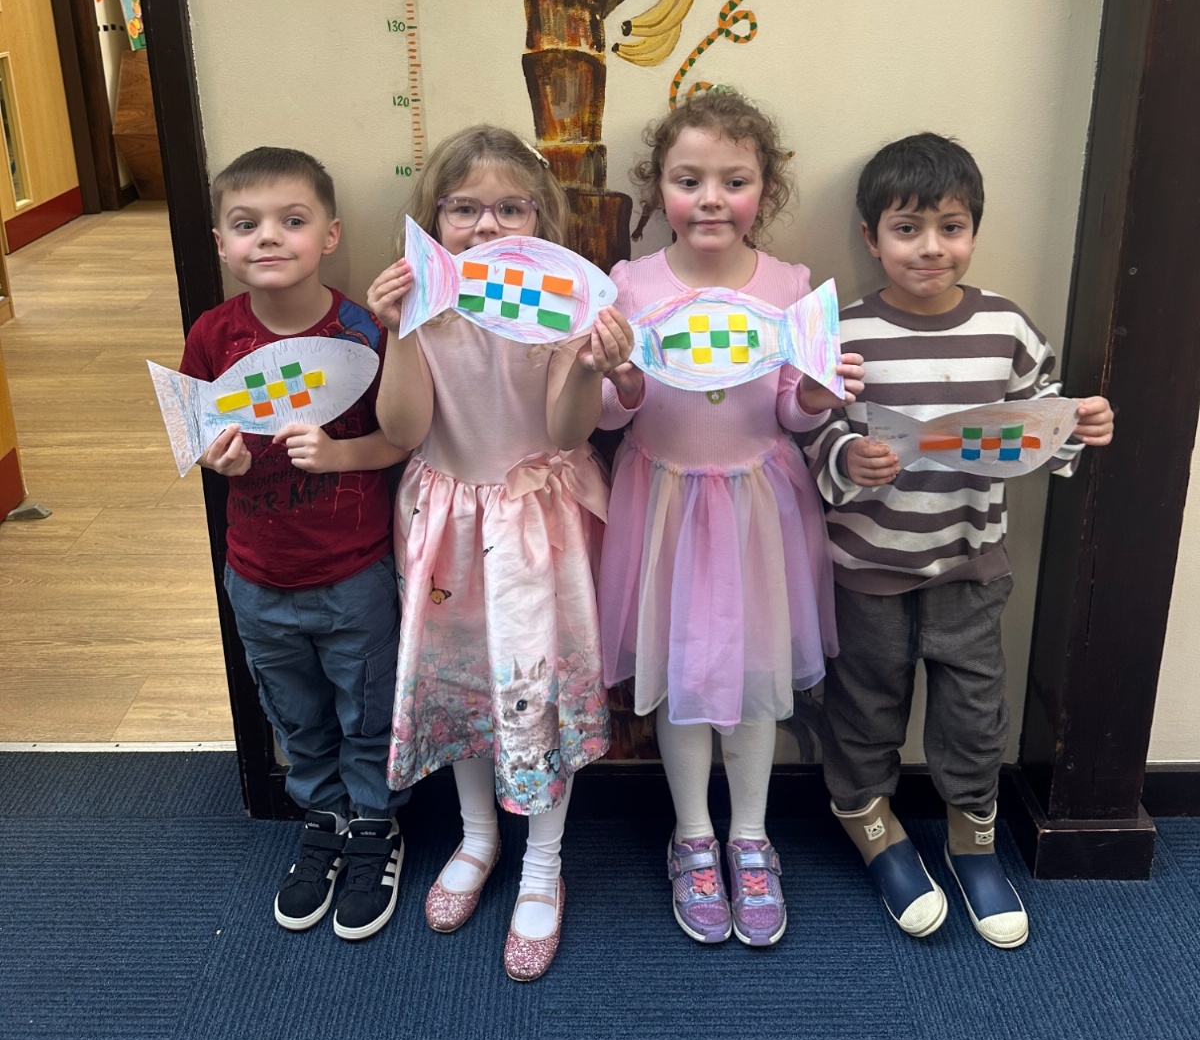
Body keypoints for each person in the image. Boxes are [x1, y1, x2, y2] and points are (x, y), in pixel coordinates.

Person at [803, 132, 1114, 948]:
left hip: (970, 564)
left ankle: (973, 841)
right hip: (865, 566)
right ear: (872, 238)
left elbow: (1042, 418)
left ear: (974, 230)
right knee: (864, 706)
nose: (931, 247)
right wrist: (847, 458)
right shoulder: (845, 331)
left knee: (975, 715)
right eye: (907, 229)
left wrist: (1080, 425)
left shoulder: (1007, 327)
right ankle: (871, 823)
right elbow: (811, 430)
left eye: (951, 226)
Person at [597, 88, 863, 948]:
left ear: (764, 191)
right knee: (681, 675)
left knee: (751, 677)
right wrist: (623, 380)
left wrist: (815, 392)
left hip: (757, 509)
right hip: (665, 506)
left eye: (734, 181)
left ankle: (750, 836)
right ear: (660, 188)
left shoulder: (791, 286)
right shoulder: (630, 284)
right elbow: (609, 413)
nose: (710, 199)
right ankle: (692, 836)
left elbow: (789, 409)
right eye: (689, 180)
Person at [367, 126, 632, 982]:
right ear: (433, 219)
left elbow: (567, 431)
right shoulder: (426, 307)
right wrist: (400, 329)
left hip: (536, 524)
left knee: (535, 691)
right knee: (464, 682)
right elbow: (403, 428)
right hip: (446, 519)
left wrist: (586, 363)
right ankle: (477, 836)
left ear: (540, 221)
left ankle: (543, 862)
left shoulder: (557, 305)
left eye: (511, 208)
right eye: (463, 209)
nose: (486, 225)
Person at [181, 146, 409, 940]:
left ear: (330, 235)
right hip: (257, 574)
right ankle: (324, 816)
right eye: (247, 225)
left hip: (355, 572)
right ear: (221, 244)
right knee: (295, 713)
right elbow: (196, 436)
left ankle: (375, 823)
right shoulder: (213, 336)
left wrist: (340, 454)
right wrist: (218, 459)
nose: (270, 237)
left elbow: (403, 437)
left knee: (368, 707)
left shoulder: (363, 331)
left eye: (293, 220)